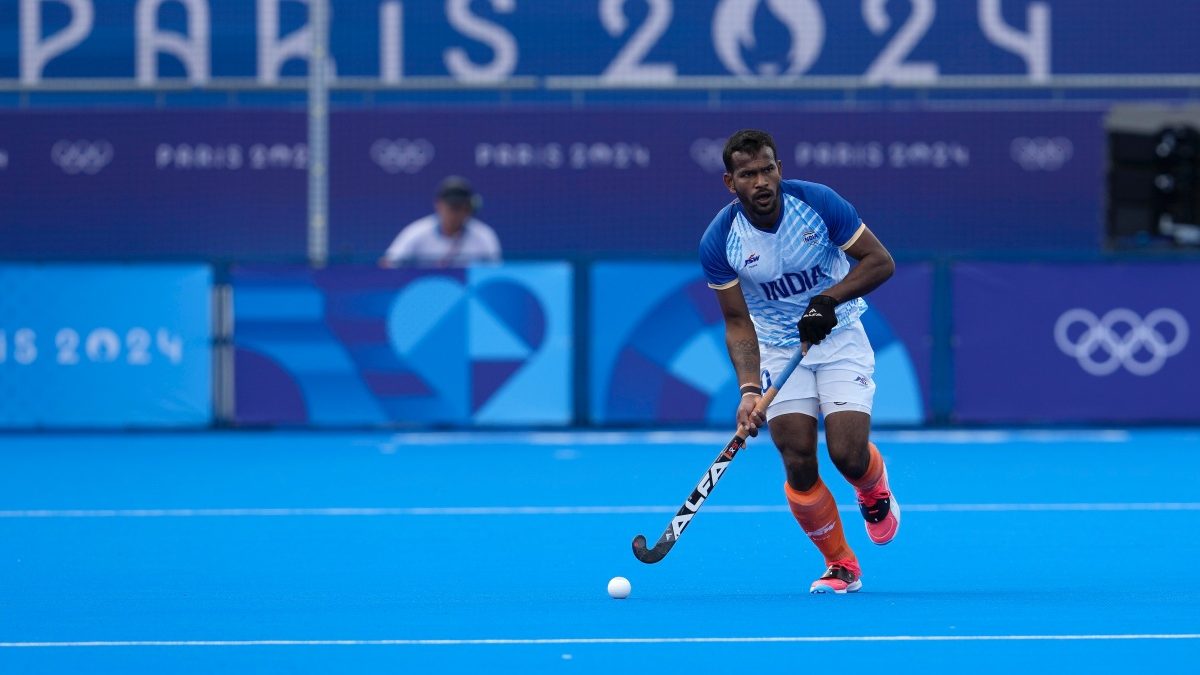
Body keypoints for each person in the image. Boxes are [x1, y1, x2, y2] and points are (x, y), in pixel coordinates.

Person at [698, 129, 900, 594]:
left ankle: (872, 489)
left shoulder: (818, 203)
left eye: (768, 169)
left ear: (779, 169)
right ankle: (840, 564)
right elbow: (737, 324)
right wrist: (749, 390)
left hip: (839, 335)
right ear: (732, 183)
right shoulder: (720, 241)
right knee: (798, 459)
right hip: (776, 348)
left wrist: (827, 300)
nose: (762, 181)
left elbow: (880, 261)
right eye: (748, 174)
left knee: (847, 454)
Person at [379, 176, 502, 267]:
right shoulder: (417, 232)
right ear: (438, 205)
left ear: (469, 209)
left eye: (461, 207)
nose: (456, 213)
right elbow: (388, 263)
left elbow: (494, 273)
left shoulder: (484, 235)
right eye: (452, 207)